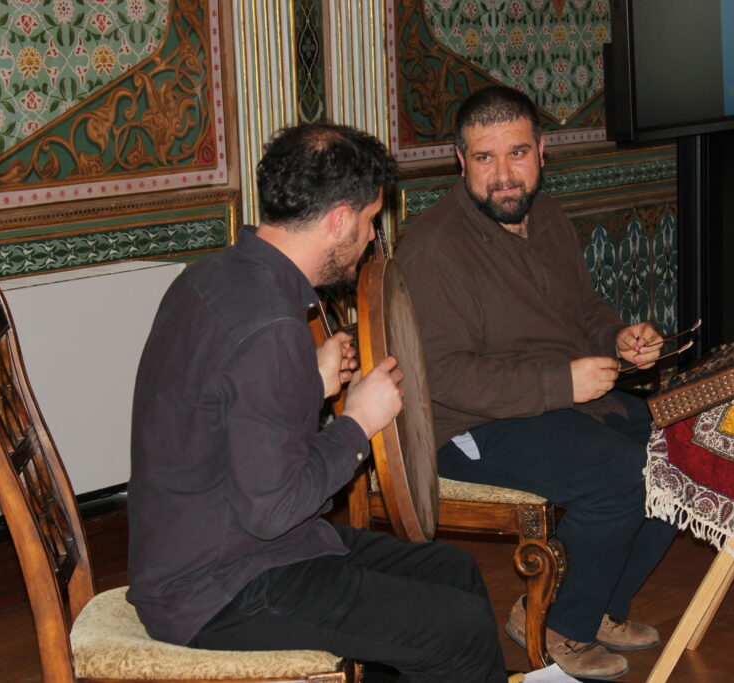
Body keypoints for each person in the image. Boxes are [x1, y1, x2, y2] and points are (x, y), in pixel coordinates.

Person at [127, 123, 507, 682]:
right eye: (370, 220)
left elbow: (230, 412)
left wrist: (309, 380)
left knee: (453, 570)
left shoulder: (213, 276)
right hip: (218, 590)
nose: (371, 237)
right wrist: (358, 422)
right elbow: (274, 508)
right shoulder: (270, 326)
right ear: (339, 221)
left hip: (220, 549)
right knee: (461, 630)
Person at [396, 87, 677, 680]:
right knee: (618, 476)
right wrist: (562, 383)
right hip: (470, 426)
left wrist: (618, 338)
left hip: (553, 404)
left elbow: (584, 310)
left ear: (542, 152)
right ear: (461, 160)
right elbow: (442, 375)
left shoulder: (545, 215)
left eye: (517, 153)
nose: (503, 175)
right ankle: (557, 624)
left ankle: (596, 607)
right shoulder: (435, 248)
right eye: (484, 157)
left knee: (681, 449)